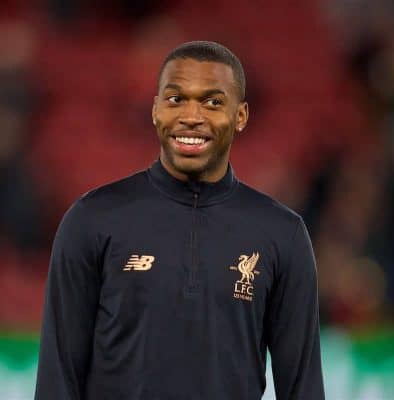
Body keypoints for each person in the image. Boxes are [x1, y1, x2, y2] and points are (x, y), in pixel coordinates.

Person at [34, 41, 325, 400]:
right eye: (176, 99)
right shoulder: (91, 220)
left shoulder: (283, 234)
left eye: (213, 102)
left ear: (241, 116)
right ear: (155, 109)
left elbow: (303, 388)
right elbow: (57, 380)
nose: (191, 115)